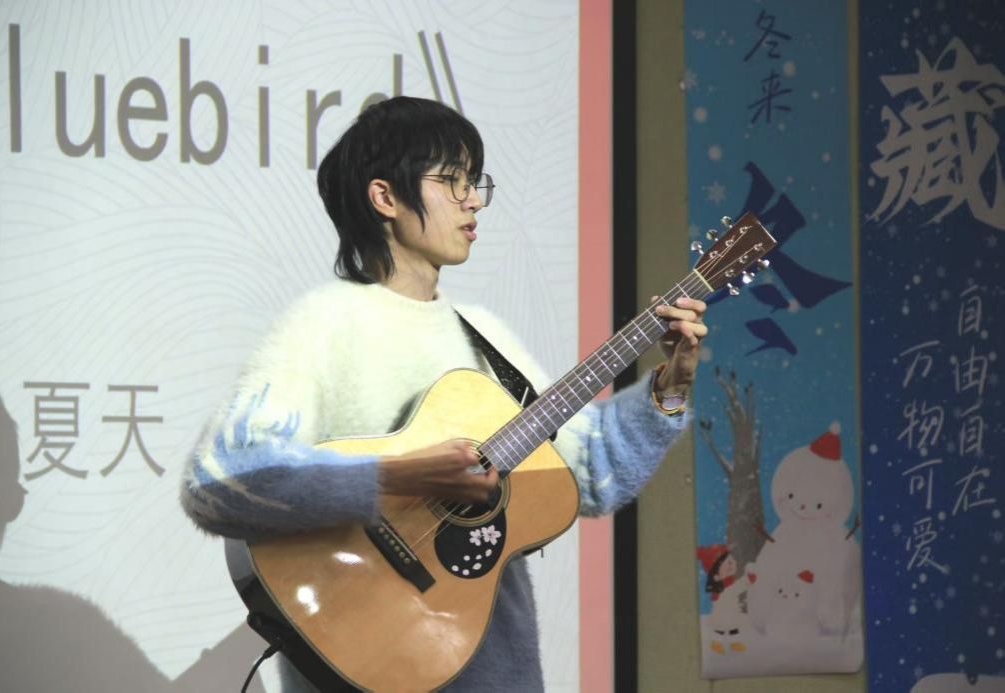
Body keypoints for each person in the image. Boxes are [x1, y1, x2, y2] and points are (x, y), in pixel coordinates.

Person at [180, 96, 707, 692]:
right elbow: (220, 481)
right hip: (365, 664)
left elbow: (587, 472)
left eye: (475, 182)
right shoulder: (324, 324)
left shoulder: (486, 336)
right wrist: (402, 476)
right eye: (452, 181)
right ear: (385, 198)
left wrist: (669, 390)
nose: (473, 200)